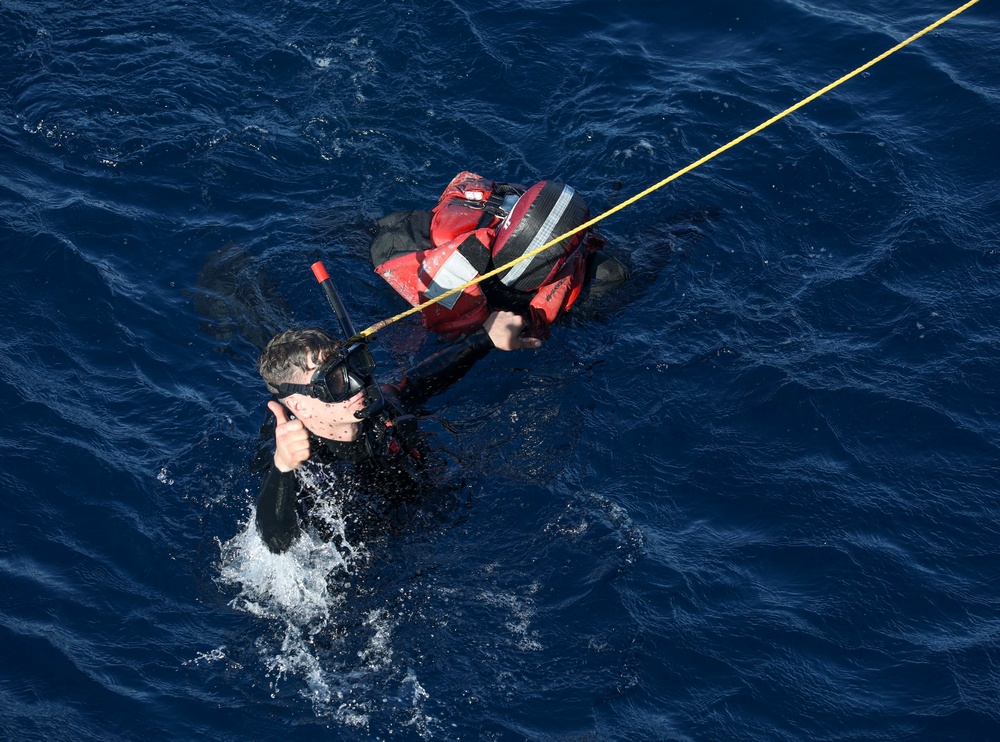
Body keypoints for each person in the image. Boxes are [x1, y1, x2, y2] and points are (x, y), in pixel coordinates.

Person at [254, 310, 539, 554]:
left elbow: (417, 383)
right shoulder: (298, 461)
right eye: (336, 382)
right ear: (299, 406)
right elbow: (277, 545)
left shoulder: (375, 408)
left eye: (353, 366)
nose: (357, 384)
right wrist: (282, 467)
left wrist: (484, 339)